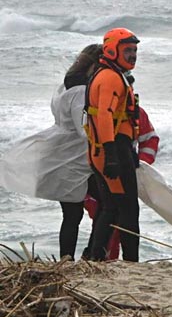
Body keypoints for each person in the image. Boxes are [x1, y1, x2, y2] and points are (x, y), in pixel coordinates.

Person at [0, 44, 102, 260]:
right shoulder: (81, 91)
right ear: (93, 66)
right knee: (99, 207)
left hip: (62, 153)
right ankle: (87, 255)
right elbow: (83, 127)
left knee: (74, 213)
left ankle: (73, 258)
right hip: (75, 157)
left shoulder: (64, 87)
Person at [85, 27, 141, 262]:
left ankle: (95, 256)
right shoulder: (109, 78)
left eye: (135, 50)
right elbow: (105, 116)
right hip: (111, 149)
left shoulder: (112, 74)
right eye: (127, 50)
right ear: (111, 50)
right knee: (127, 209)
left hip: (113, 148)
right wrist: (112, 155)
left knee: (112, 207)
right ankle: (131, 262)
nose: (133, 55)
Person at [83, 106, 159, 260]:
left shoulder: (136, 113)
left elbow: (150, 139)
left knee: (117, 219)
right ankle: (101, 258)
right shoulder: (96, 112)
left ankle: (113, 260)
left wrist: (140, 164)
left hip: (122, 172)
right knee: (108, 217)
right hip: (94, 176)